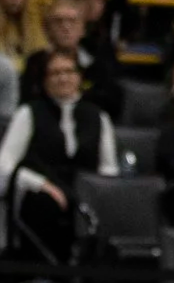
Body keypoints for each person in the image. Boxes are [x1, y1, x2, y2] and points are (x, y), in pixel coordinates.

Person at [0, 49, 116, 258]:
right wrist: (40, 185)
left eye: (69, 71)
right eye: (55, 73)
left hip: (86, 198)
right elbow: (4, 165)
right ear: (44, 80)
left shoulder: (98, 116)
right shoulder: (29, 113)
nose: (63, 78)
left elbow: (108, 168)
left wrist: (91, 196)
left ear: (79, 77)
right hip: (41, 196)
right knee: (44, 206)